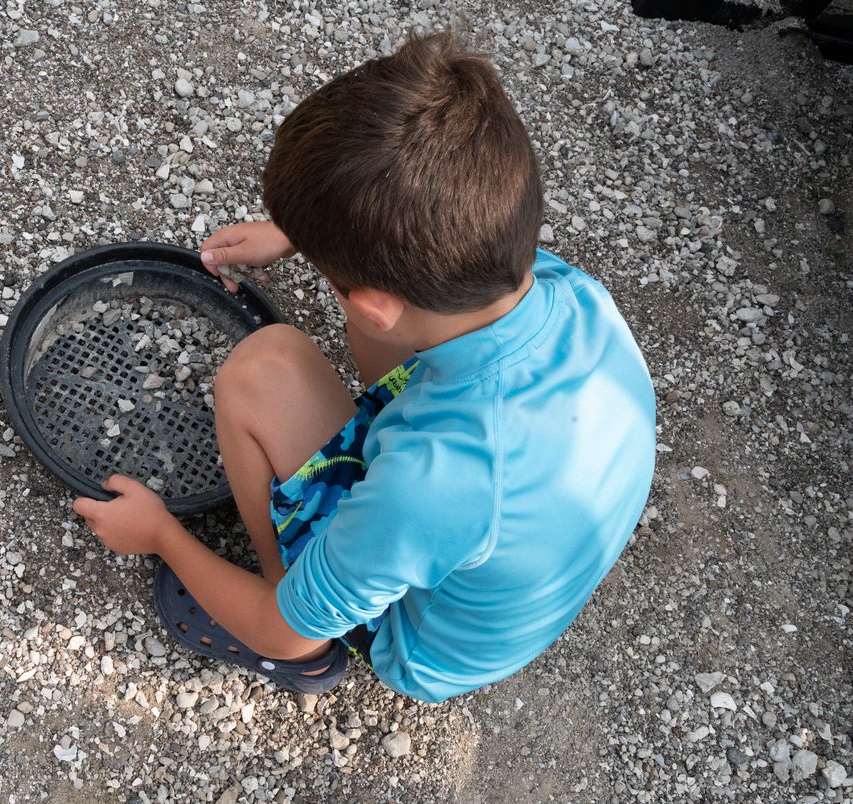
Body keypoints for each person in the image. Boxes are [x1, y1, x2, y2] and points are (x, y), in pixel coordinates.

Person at [72, 30, 656, 703]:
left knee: (264, 367)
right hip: (508, 504)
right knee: (361, 350)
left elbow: (279, 628)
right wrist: (311, 230)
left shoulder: (429, 486)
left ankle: (306, 626)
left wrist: (161, 535)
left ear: (378, 300)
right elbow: (417, 258)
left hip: (422, 643)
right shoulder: (569, 294)